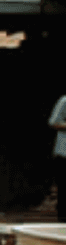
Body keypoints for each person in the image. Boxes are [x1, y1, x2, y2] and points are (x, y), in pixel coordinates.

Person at [55, 93, 66, 222]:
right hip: (63, 152)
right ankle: (62, 221)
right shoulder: (64, 100)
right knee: (63, 188)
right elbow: (53, 121)